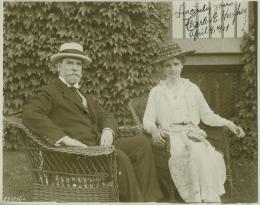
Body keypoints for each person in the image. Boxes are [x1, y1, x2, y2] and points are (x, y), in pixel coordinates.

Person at [22, 42, 163, 202]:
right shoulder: (50, 92)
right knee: (120, 158)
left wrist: (108, 130)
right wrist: (65, 140)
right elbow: (30, 113)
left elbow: (106, 115)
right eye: (69, 63)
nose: (75, 68)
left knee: (141, 143)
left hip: (96, 148)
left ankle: (149, 199)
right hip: (74, 155)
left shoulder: (83, 96)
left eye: (78, 64)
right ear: (59, 66)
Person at [143, 42, 245, 202]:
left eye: (176, 64)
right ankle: (195, 198)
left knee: (203, 152)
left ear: (182, 64)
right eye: (167, 65)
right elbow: (148, 120)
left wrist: (229, 124)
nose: (172, 69)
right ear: (162, 68)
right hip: (172, 136)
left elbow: (207, 115)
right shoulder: (156, 92)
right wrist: (154, 130)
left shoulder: (192, 89)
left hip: (193, 133)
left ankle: (208, 198)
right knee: (190, 153)